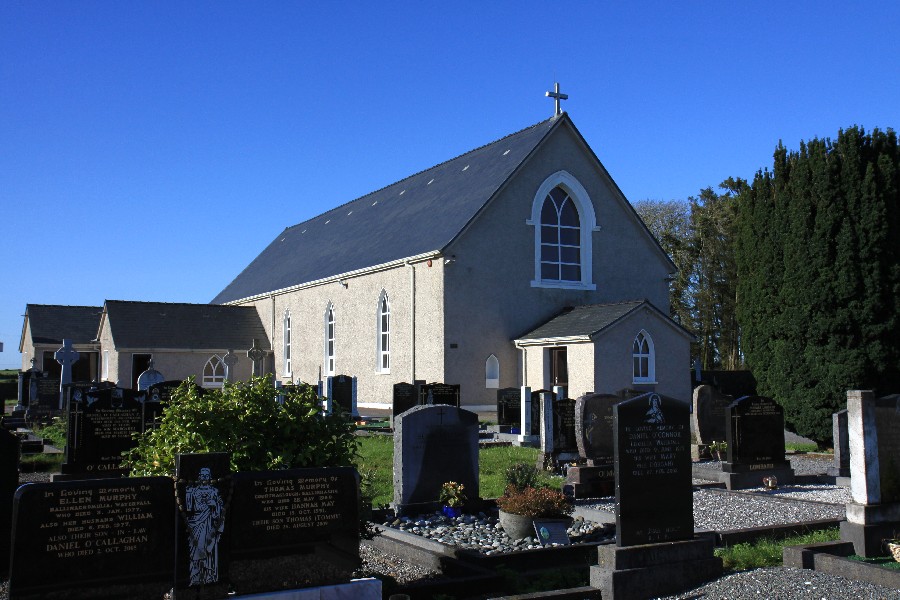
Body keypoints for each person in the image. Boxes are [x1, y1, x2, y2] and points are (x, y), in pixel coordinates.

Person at [185, 467, 225, 585]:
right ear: (199, 476)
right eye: (202, 475)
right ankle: (196, 576)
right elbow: (189, 508)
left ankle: (209, 576)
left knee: (209, 551)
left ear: (210, 477)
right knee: (195, 550)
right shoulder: (193, 491)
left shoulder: (214, 491)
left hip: (209, 523)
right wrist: (188, 494)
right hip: (197, 523)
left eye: (207, 475)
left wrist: (215, 505)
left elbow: (220, 512)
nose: (204, 478)